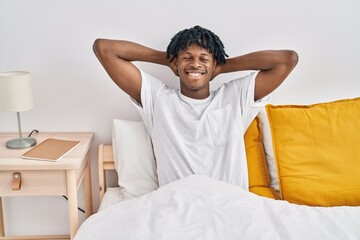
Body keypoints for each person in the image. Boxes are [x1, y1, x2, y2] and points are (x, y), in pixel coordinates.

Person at [93, 25, 298, 190]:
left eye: (203, 58)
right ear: (175, 63)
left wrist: (221, 66)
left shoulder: (235, 97)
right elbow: (104, 48)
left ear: (214, 63)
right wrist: (169, 59)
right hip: (178, 206)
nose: (195, 64)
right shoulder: (158, 99)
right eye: (187, 57)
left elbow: (287, 60)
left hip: (229, 206)